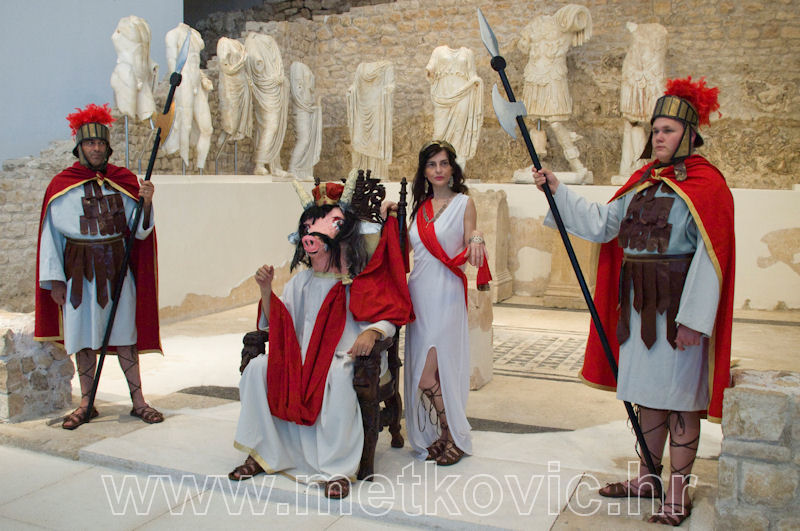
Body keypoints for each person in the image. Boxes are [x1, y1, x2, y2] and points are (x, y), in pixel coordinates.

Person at [533, 77, 734, 526]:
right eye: (655, 130)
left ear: (689, 136)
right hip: (638, 309)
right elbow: (603, 223)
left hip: (680, 312)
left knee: (682, 399)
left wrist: (695, 320)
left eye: (668, 131)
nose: (658, 137)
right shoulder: (642, 181)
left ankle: (677, 492)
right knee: (648, 396)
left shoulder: (707, 185)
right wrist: (557, 190)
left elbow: (711, 257)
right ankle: (647, 478)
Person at [229, 176, 413, 499]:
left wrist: (372, 331)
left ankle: (336, 469)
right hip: (301, 358)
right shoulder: (300, 283)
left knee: (338, 377)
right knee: (258, 368)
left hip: (344, 356)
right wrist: (265, 290)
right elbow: (278, 325)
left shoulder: (357, 281)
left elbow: (387, 315)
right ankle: (263, 452)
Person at [35, 103, 163, 429]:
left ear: (108, 147)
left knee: (125, 335)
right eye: (90, 143)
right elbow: (50, 236)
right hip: (78, 272)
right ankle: (86, 402)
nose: (95, 148)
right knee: (83, 337)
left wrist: (146, 202)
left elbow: (139, 231)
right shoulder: (61, 185)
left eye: (100, 143)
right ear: (79, 147)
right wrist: (55, 281)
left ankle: (139, 401)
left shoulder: (123, 181)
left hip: (117, 269)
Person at [403, 140, 491, 466]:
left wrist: (478, 238)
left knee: (428, 375)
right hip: (419, 296)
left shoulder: (464, 203)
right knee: (428, 374)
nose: (438, 170)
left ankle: (455, 434)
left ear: (452, 168)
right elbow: (404, 249)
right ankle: (442, 434)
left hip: (447, 294)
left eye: (443, 163)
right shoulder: (419, 208)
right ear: (424, 171)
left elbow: (471, 236)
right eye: (432, 164)